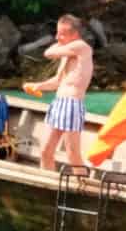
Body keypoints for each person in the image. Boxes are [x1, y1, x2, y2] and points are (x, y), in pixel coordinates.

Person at [24, 14, 94, 173]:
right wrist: (37, 85)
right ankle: (46, 183)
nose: (57, 37)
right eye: (57, 33)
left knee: (72, 154)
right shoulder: (68, 53)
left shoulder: (81, 47)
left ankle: (83, 187)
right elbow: (58, 81)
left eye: (61, 33)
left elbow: (48, 53)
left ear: (74, 34)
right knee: (45, 151)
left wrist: (59, 43)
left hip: (71, 104)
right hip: (59, 102)